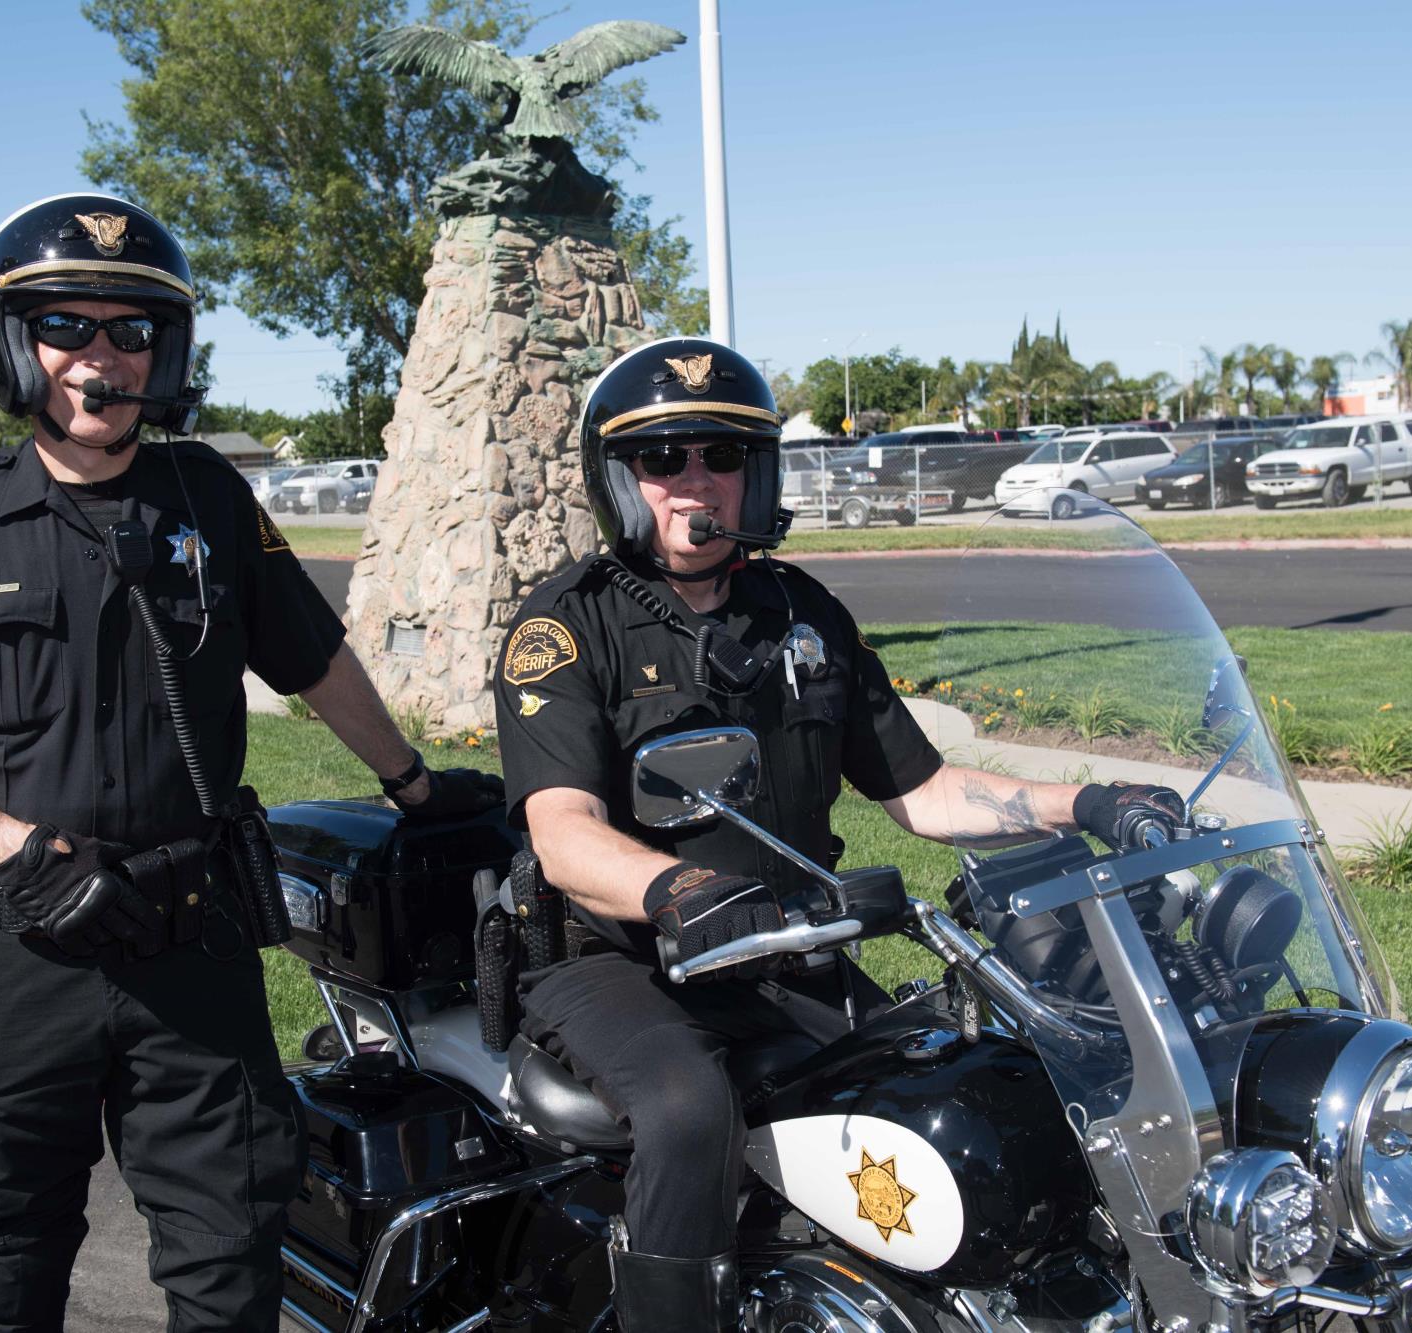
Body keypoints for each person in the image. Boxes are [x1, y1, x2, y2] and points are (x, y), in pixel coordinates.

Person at [0, 193, 499, 1332]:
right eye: (65, 327)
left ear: (164, 353)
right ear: (15, 345)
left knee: (231, 1260)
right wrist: (16, 851)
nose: (99, 357)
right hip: (11, 947)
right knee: (5, 1259)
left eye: (131, 331)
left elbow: (314, 660)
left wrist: (413, 783)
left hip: (190, 943)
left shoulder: (208, 498)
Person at [491, 337, 1182, 1331]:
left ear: (754, 473)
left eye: (719, 457)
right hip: (618, 958)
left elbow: (926, 791)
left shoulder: (799, 616)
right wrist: (676, 889)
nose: (695, 483)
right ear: (618, 477)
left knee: (970, 1078)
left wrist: (1089, 803)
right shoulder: (566, 627)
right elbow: (563, 834)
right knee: (690, 1112)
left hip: (784, 947)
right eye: (663, 458)